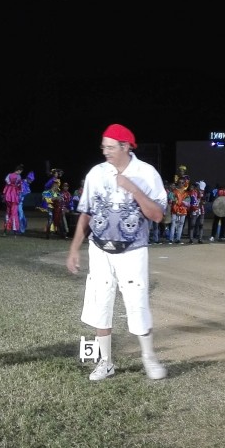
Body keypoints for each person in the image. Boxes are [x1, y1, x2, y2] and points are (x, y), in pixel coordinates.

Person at [66, 123, 167, 381]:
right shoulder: (96, 173)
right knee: (101, 303)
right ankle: (105, 361)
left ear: (126, 146)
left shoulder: (147, 173)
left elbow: (157, 215)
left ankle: (149, 358)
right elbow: (86, 212)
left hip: (132, 251)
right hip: (100, 250)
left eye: (111, 147)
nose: (105, 151)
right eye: (104, 146)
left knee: (137, 302)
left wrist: (133, 188)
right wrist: (75, 248)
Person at [208, 177, 225, 241]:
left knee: (224, 222)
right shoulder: (219, 189)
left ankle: (222, 236)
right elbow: (215, 197)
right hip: (218, 208)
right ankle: (213, 235)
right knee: (216, 222)